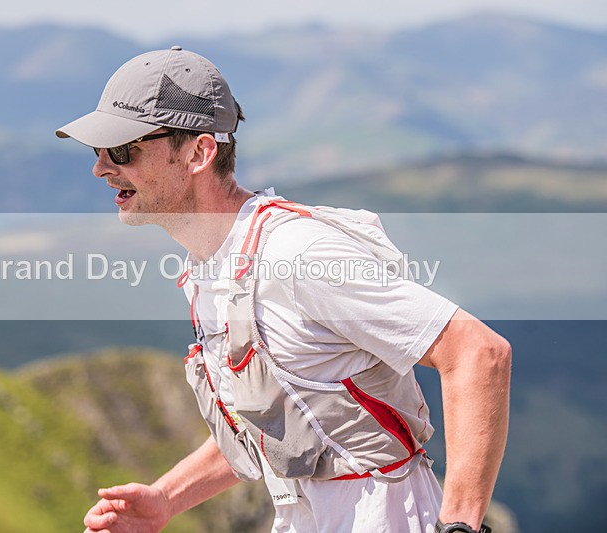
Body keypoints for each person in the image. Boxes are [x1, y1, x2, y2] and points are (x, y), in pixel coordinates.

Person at [55, 46, 511, 533]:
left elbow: (479, 352)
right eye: (98, 151)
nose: (101, 168)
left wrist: (460, 525)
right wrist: (166, 499)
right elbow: (281, 421)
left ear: (199, 153)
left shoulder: (297, 255)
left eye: (123, 150)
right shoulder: (214, 267)